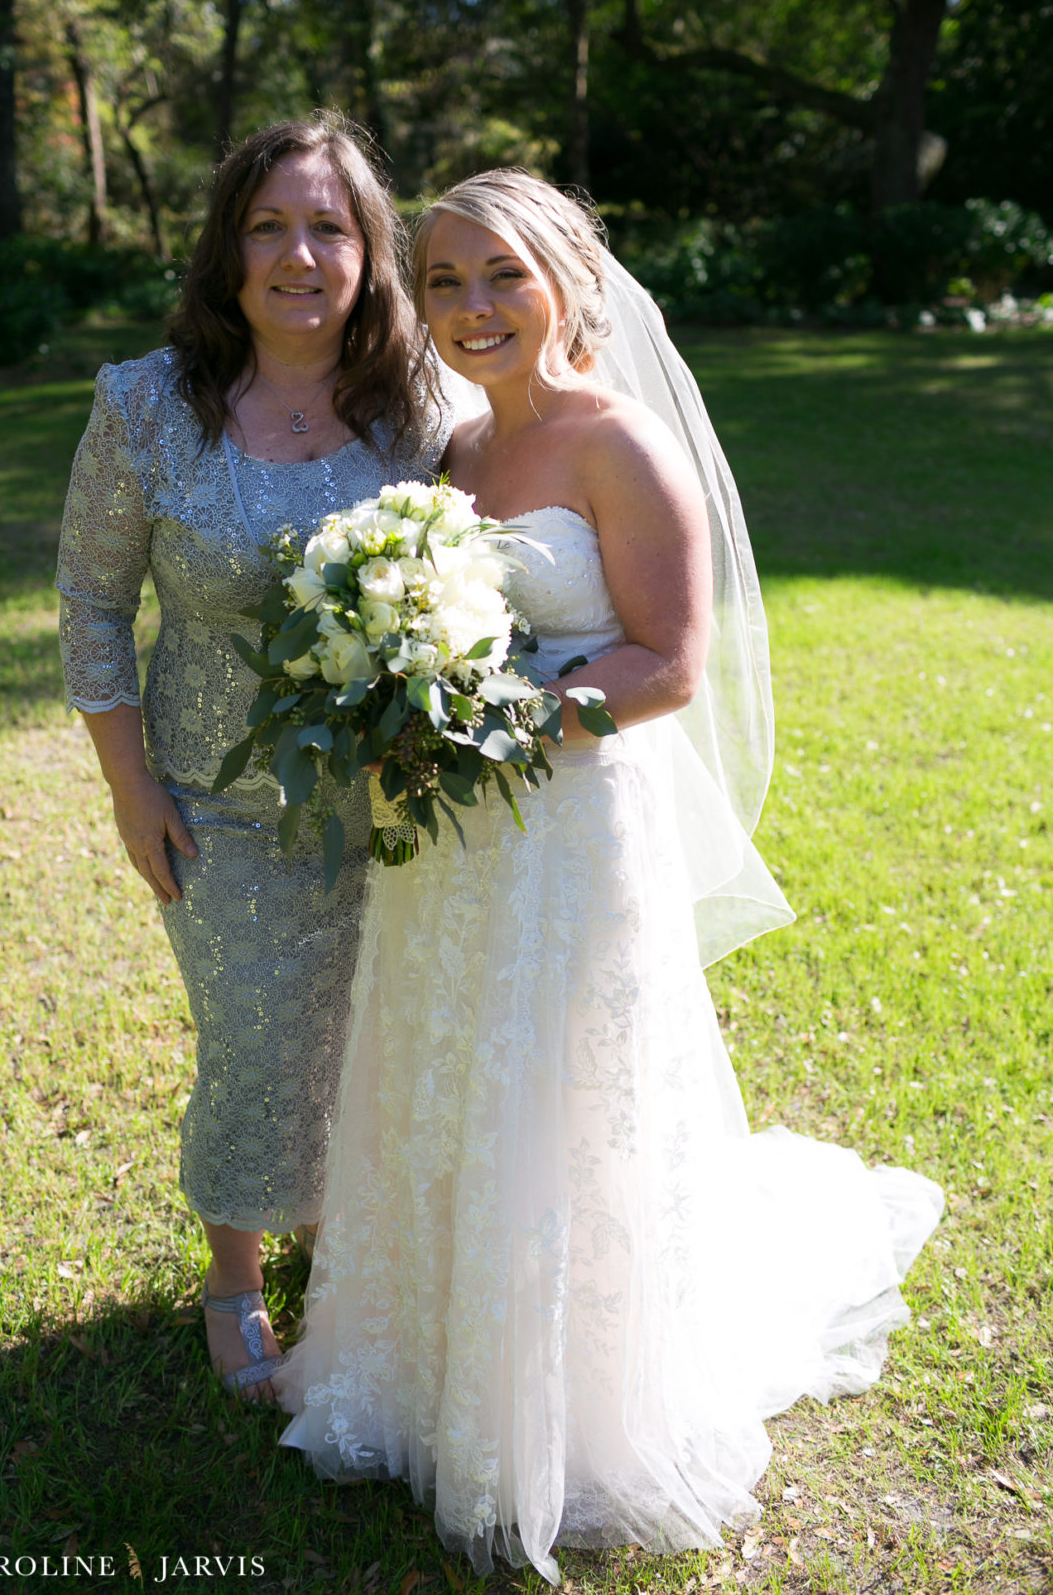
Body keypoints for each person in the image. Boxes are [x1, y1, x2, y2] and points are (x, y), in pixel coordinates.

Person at [273, 171, 944, 1579]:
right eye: (444, 282)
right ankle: (418, 1357)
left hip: (572, 829)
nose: (470, 308)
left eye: (499, 275)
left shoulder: (617, 443)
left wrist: (514, 714)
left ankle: (569, 1403)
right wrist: (405, 694)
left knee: (556, 1088)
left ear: (568, 279)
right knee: (446, 1066)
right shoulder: (449, 456)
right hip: (450, 837)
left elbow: (667, 659)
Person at [55, 114, 437, 1400]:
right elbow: (93, 605)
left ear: (369, 253)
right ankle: (233, 1274)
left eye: (328, 225)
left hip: (394, 807)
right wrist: (130, 786)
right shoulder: (146, 406)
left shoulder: (419, 402)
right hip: (214, 803)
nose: (297, 253)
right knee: (257, 1041)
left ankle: (347, 1247)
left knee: (374, 1040)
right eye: (267, 225)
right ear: (227, 253)